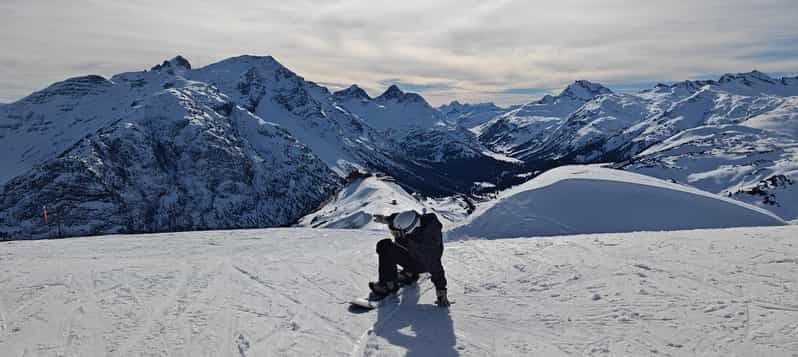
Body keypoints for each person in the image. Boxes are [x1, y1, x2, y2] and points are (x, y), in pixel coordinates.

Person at [369, 210, 451, 307]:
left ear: (410, 229)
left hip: (422, 264)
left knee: (386, 247)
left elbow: (436, 268)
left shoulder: (427, 245)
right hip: (415, 254)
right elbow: (401, 218)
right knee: (389, 243)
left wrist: (441, 292)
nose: (394, 234)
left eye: (396, 233)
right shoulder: (418, 221)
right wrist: (386, 219)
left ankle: (389, 284)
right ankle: (409, 273)